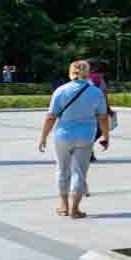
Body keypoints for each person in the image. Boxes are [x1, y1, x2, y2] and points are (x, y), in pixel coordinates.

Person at [38, 60, 109, 218]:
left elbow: (51, 117)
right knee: (79, 172)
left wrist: (43, 137)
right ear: (87, 72)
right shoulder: (96, 92)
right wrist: (106, 136)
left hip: (63, 136)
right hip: (85, 137)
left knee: (62, 170)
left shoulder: (61, 91)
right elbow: (103, 117)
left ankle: (63, 205)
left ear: (71, 72)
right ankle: (75, 209)